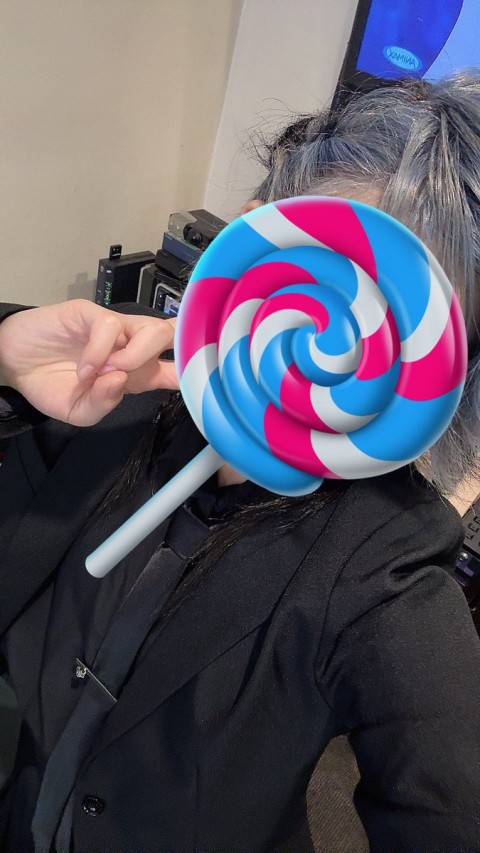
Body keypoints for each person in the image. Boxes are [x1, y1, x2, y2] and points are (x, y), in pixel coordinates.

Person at [0, 73, 480, 853]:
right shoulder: (116, 384)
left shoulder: (383, 565)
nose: (340, 341)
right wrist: (6, 361)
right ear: (254, 234)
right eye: (323, 275)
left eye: (390, 328)